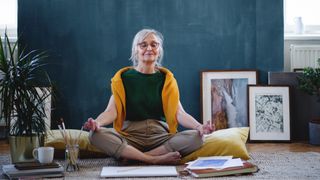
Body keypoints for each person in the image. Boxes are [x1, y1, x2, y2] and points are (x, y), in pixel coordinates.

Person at [84, 29, 214, 165]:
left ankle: (135, 156)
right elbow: (111, 111)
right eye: (143, 45)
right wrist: (97, 123)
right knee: (95, 135)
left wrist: (199, 126)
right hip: (130, 137)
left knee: (198, 138)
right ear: (136, 50)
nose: (149, 48)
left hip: (161, 138)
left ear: (159, 50)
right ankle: (153, 159)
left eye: (154, 44)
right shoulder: (123, 78)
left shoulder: (167, 80)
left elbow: (179, 113)